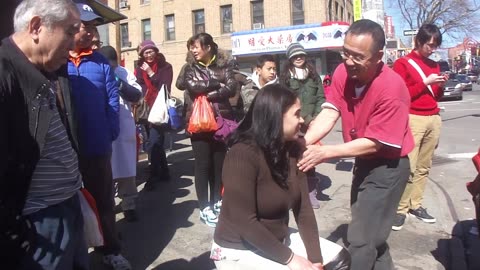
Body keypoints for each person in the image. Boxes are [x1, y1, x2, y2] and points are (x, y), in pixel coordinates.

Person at [297, 19, 414, 270]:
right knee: (373, 236)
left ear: (379, 56)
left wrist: (325, 152)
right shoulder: (343, 72)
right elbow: (330, 112)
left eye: (357, 56)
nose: (348, 61)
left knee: (361, 239)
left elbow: (375, 144)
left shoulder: (392, 89)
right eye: (345, 53)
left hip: (389, 168)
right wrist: (302, 143)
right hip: (364, 162)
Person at [212, 84, 351, 270]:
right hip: (238, 247)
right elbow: (244, 222)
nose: (302, 120)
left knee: (339, 260)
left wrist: (315, 260)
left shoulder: (291, 150)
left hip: (277, 239)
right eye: (296, 114)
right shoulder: (242, 154)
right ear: (276, 116)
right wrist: (292, 259)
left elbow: (303, 211)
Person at [0, 0, 87, 269]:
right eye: (70, 32)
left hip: (67, 204)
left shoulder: (44, 72)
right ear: (37, 27)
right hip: (39, 221)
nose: (74, 44)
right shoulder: (5, 72)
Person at [67, 3, 131, 269]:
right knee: (70, 204)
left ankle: (110, 250)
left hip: (97, 145)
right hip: (66, 148)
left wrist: (110, 132)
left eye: (95, 27)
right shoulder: (59, 61)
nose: (93, 34)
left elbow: (111, 101)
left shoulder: (101, 62)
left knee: (104, 200)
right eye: (88, 27)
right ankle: (75, 251)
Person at [178, 32, 237, 227]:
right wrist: (215, 84)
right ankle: (204, 207)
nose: (193, 50)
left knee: (218, 165)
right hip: (199, 122)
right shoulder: (189, 68)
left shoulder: (225, 66)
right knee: (202, 166)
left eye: (196, 46)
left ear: (208, 47)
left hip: (221, 121)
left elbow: (232, 88)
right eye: (191, 47)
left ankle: (217, 202)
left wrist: (208, 93)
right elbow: (193, 87)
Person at [391, 24, 446, 231]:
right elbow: (402, 95)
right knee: (409, 167)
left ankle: (417, 204)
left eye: (435, 46)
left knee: (424, 166)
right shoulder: (402, 64)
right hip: (413, 117)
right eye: (429, 45)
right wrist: (425, 81)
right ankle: (401, 209)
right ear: (419, 41)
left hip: (434, 117)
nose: (432, 49)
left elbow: (435, 96)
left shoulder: (434, 64)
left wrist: (438, 85)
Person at [99, 45, 143, 222]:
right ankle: (107, 205)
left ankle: (129, 204)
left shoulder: (123, 73)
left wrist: (119, 83)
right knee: (106, 170)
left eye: (113, 64)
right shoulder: (96, 71)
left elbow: (137, 95)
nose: (110, 67)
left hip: (123, 127)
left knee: (126, 169)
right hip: (104, 127)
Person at [279, 43, 325, 209]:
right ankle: (291, 192)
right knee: (291, 157)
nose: (299, 58)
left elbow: (321, 98)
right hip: (293, 123)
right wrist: (305, 118)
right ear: (290, 58)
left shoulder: (314, 76)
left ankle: (311, 192)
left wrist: (316, 118)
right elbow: (284, 101)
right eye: (295, 56)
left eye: (301, 55)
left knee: (309, 157)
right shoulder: (284, 77)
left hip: (312, 125)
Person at [135, 39, 173, 191]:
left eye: (151, 51)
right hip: (146, 109)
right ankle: (164, 172)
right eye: (145, 52)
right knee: (155, 143)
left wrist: (151, 73)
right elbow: (139, 86)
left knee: (154, 142)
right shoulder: (139, 69)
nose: (148, 55)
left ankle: (153, 176)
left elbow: (164, 85)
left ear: (156, 52)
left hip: (160, 109)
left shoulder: (165, 67)